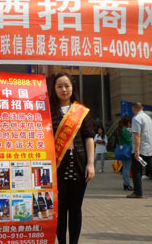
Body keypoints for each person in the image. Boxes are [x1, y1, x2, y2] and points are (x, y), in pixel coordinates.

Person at [49, 73, 95, 244]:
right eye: (59, 86)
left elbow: (88, 137)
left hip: (78, 164)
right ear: (54, 89)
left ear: (72, 87)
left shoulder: (81, 111)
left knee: (75, 208)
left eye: (67, 86)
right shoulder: (48, 111)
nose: (64, 89)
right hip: (56, 166)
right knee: (60, 209)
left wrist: (90, 163)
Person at [117, 116, 133, 191]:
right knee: (127, 168)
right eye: (130, 123)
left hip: (122, 150)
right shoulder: (125, 130)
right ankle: (127, 184)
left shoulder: (121, 130)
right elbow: (129, 141)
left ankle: (125, 184)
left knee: (125, 168)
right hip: (127, 150)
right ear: (128, 123)